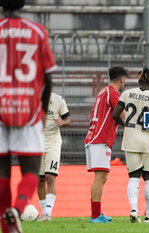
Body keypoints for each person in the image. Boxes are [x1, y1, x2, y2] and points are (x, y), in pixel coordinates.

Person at [0, 0, 56, 232]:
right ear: (22, 4)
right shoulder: (37, 32)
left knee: (2, 172)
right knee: (32, 171)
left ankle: (6, 224)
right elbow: (49, 77)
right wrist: (42, 110)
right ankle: (19, 207)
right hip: (29, 110)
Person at [112, 67, 149, 223]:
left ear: (139, 81)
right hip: (146, 141)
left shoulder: (126, 94)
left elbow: (115, 115)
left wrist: (126, 125)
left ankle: (133, 210)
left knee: (133, 178)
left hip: (130, 140)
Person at [84, 66, 127, 223]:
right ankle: (95, 215)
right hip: (100, 139)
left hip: (95, 137)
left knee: (101, 177)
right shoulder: (113, 93)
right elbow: (123, 114)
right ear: (121, 80)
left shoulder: (104, 91)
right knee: (100, 177)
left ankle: (97, 214)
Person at [37, 92, 71, 221]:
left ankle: (48, 213)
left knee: (50, 177)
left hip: (53, 143)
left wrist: (62, 122)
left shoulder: (58, 100)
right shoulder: (31, 99)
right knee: (39, 180)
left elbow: (68, 120)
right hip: (37, 143)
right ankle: (43, 211)